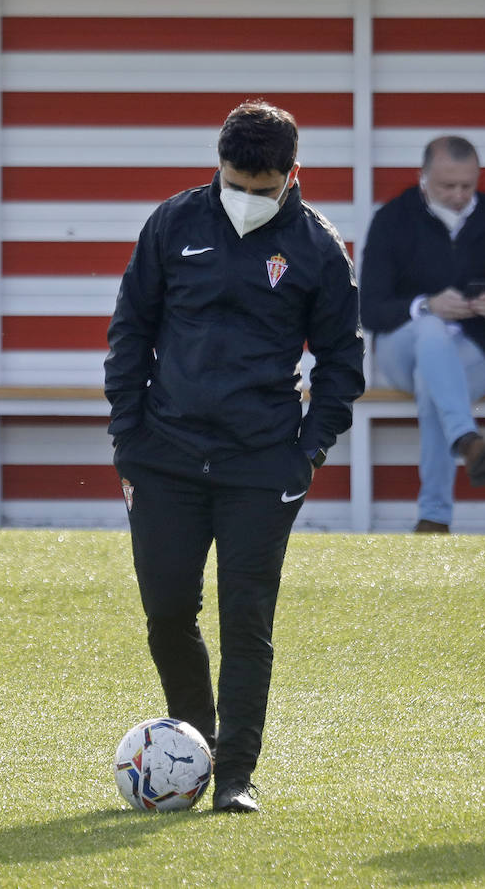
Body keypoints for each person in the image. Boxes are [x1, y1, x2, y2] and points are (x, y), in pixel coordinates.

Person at [104, 100, 364, 813]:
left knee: (245, 617)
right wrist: (128, 437)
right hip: (164, 457)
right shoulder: (173, 223)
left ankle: (236, 776)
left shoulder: (317, 248)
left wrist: (309, 449)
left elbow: (343, 361)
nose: (246, 198)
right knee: (166, 612)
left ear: (291, 175)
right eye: (235, 182)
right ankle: (197, 745)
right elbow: (131, 329)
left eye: (261, 186)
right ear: (217, 168)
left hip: (263, 463)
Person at [359, 136, 485, 534]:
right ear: (422, 178)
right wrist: (425, 306)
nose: (458, 195)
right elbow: (369, 309)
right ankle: (466, 437)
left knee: (431, 382)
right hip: (401, 347)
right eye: (447, 186)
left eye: (467, 185)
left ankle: (434, 517)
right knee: (432, 329)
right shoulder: (392, 218)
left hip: (475, 352)